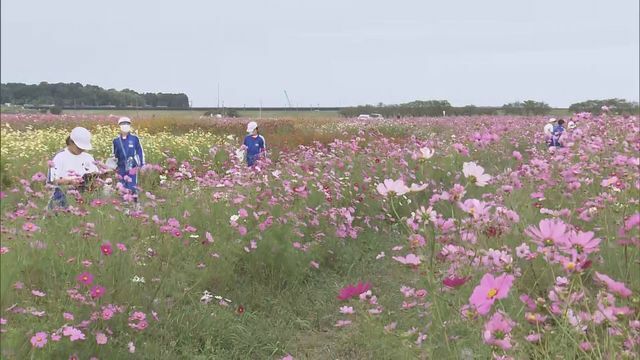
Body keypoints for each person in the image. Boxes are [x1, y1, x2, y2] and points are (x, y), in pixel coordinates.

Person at [47, 127, 99, 208]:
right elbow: (53, 180)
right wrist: (71, 182)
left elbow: (95, 175)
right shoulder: (60, 157)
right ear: (71, 142)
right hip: (62, 197)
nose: (81, 149)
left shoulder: (88, 157)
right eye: (79, 147)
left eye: (83, 148)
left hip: (85, 196)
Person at [112, 117, 144, 201]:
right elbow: (115, 154)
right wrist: (114, 165)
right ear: (119, 126)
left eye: (127, 124)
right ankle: (123, 205)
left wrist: (141, 165)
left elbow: (139, 152)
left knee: (132, 186)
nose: (125, 126)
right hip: (121, 167)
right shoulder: (116, 141)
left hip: (132, 167)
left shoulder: (134, 139)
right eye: (122, 124)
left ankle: (134, 203)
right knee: (121, 187)